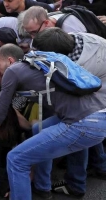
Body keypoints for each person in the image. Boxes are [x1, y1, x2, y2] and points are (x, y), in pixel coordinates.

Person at [0, 44, 106, 200]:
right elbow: (31, 121)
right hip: (99, 114)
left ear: (10, 60)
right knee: (39, 128)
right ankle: (43, 186)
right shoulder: (39, 61)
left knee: (16, 159)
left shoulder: (12, 70)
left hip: (83, 124)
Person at [32, 28, 106, 197]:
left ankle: (71, 184)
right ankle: (100, 167)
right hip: (97, 104)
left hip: (96, 105)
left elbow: (68, 106)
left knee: (53, 129)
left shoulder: (80, 70)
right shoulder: (77, 39)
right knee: (86, 133)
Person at [21, 6, 86, 37]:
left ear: (46, 23)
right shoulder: (39, 28)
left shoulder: (69, 25)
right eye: (29, 33)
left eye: (34, 32)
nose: (32, 37)